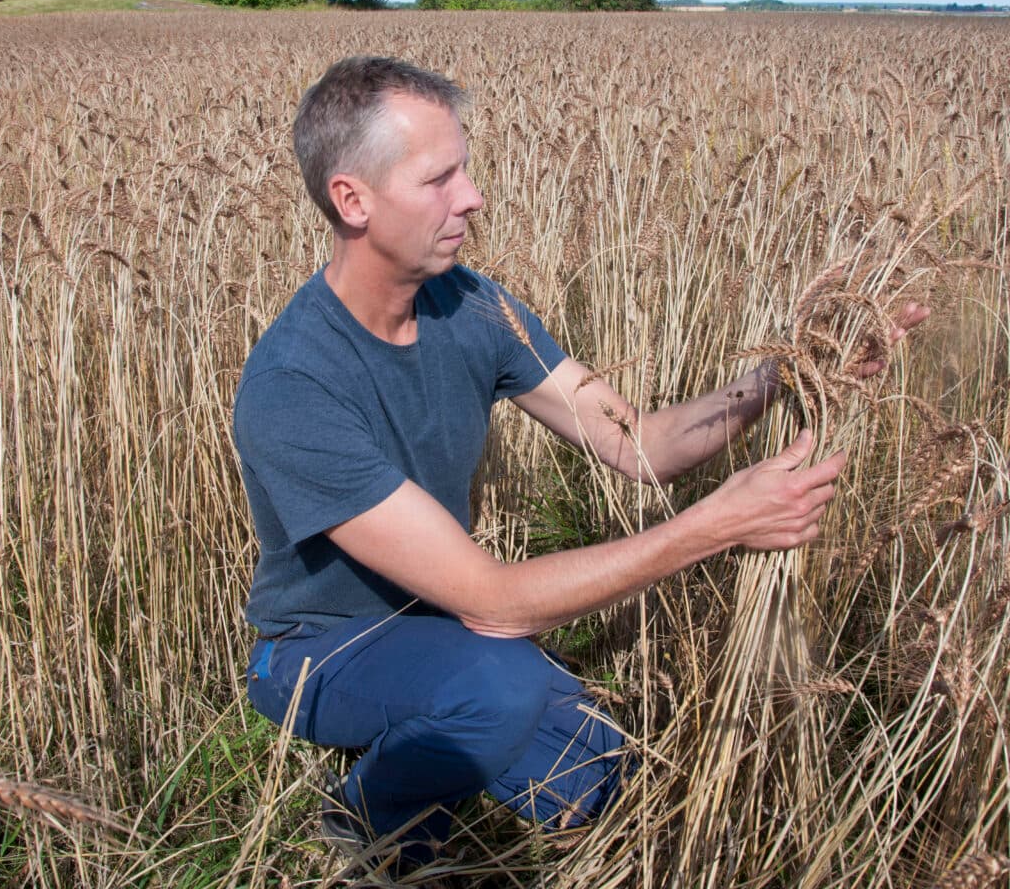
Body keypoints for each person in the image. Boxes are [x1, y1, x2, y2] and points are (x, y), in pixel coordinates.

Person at [233, 56, 926, 876]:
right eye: (439, 178)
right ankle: (365, 820)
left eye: (467, 169)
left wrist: (786, 374)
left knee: (604, 785)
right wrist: (719, 525)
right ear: (353, 199)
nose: (473, 197)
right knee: (499, 690)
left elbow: (643, 447)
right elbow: (494, 604)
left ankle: (440, 741)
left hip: (440, 626)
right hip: (320, 649)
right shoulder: (293, 384)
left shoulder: (472, 306)